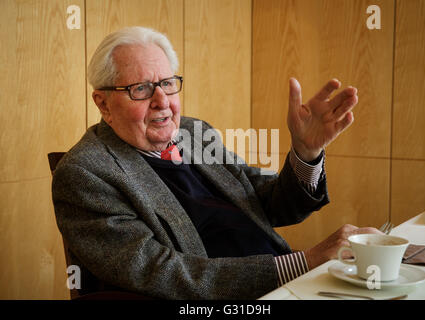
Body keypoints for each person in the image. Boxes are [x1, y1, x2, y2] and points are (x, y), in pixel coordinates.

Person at [52, 26, 380, 299]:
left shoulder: (195, 133)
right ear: (103, 103)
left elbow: (271, 204)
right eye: (141, 89)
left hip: (285, 285)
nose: (162, 101)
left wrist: (306, 152)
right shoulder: (86, 174)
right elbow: (164, 273)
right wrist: (303, 263)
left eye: (167, 83)